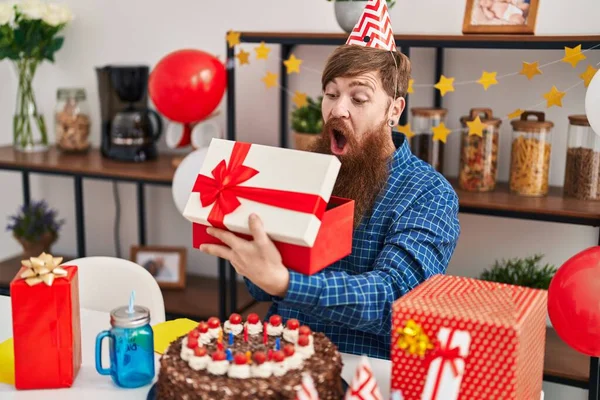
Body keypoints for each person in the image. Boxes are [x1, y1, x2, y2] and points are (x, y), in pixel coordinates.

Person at [198, 3, 460, 360]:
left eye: (359, 97)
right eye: (332, 94)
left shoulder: (429, 194)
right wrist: (249, 251)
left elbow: (394, 300)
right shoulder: (300, 172)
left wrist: (288, 283)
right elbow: (261, 287)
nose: (338, 110)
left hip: (366, 371)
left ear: (394, 111)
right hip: (281, 358)